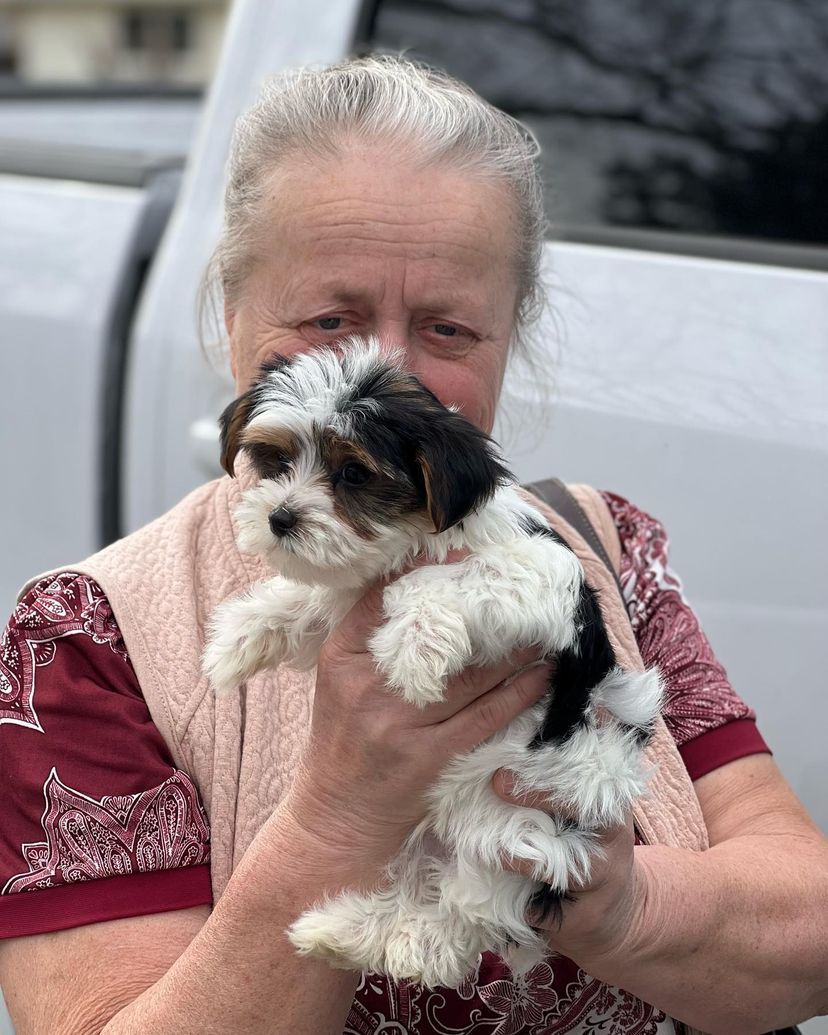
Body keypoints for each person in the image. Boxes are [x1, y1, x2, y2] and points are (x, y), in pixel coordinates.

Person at [0, 57, 825, 1035]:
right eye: (331, 319)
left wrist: (625, 910)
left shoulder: (605, 552)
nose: (384, 371)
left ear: (509, 342)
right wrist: (339, 816)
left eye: (448, 328)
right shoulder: (91, 639)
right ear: (231, 321)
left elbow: (808, 937)